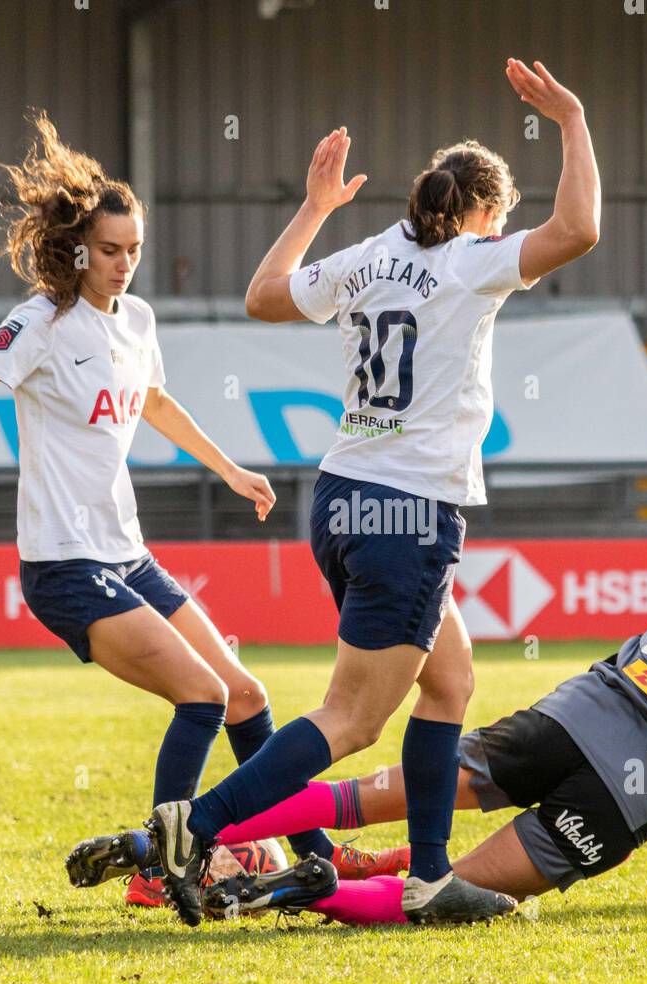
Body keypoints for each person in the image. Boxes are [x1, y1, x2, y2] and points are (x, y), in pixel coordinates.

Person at [67, 440, 647, 923]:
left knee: (368, 797)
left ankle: (190, 833)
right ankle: (287, 895)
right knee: (459, 898)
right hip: (621, 790)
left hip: (565, 718)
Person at [78, 57, 603, 927]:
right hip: (411, 511)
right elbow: (580, 229)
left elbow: (261, 298)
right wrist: (574, 120)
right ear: (484, 213)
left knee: (452, 681)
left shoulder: (369, 256)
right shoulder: (474, 260)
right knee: (352, 718)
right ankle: (192, 830)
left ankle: (429, 876)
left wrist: (316, 210)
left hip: (344, 499)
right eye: (499, 218)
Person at [0, 114, 405, 906]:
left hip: (127, 555)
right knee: (201, 696)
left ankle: (317, 852)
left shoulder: (138, 320)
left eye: (134, 251)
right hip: (64, 564)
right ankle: (162, 871)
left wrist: (229, 468)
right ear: (78, 250)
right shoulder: (42, 321)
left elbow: (154, 400)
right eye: (109, 250)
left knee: (247, 696)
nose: (124, 265)